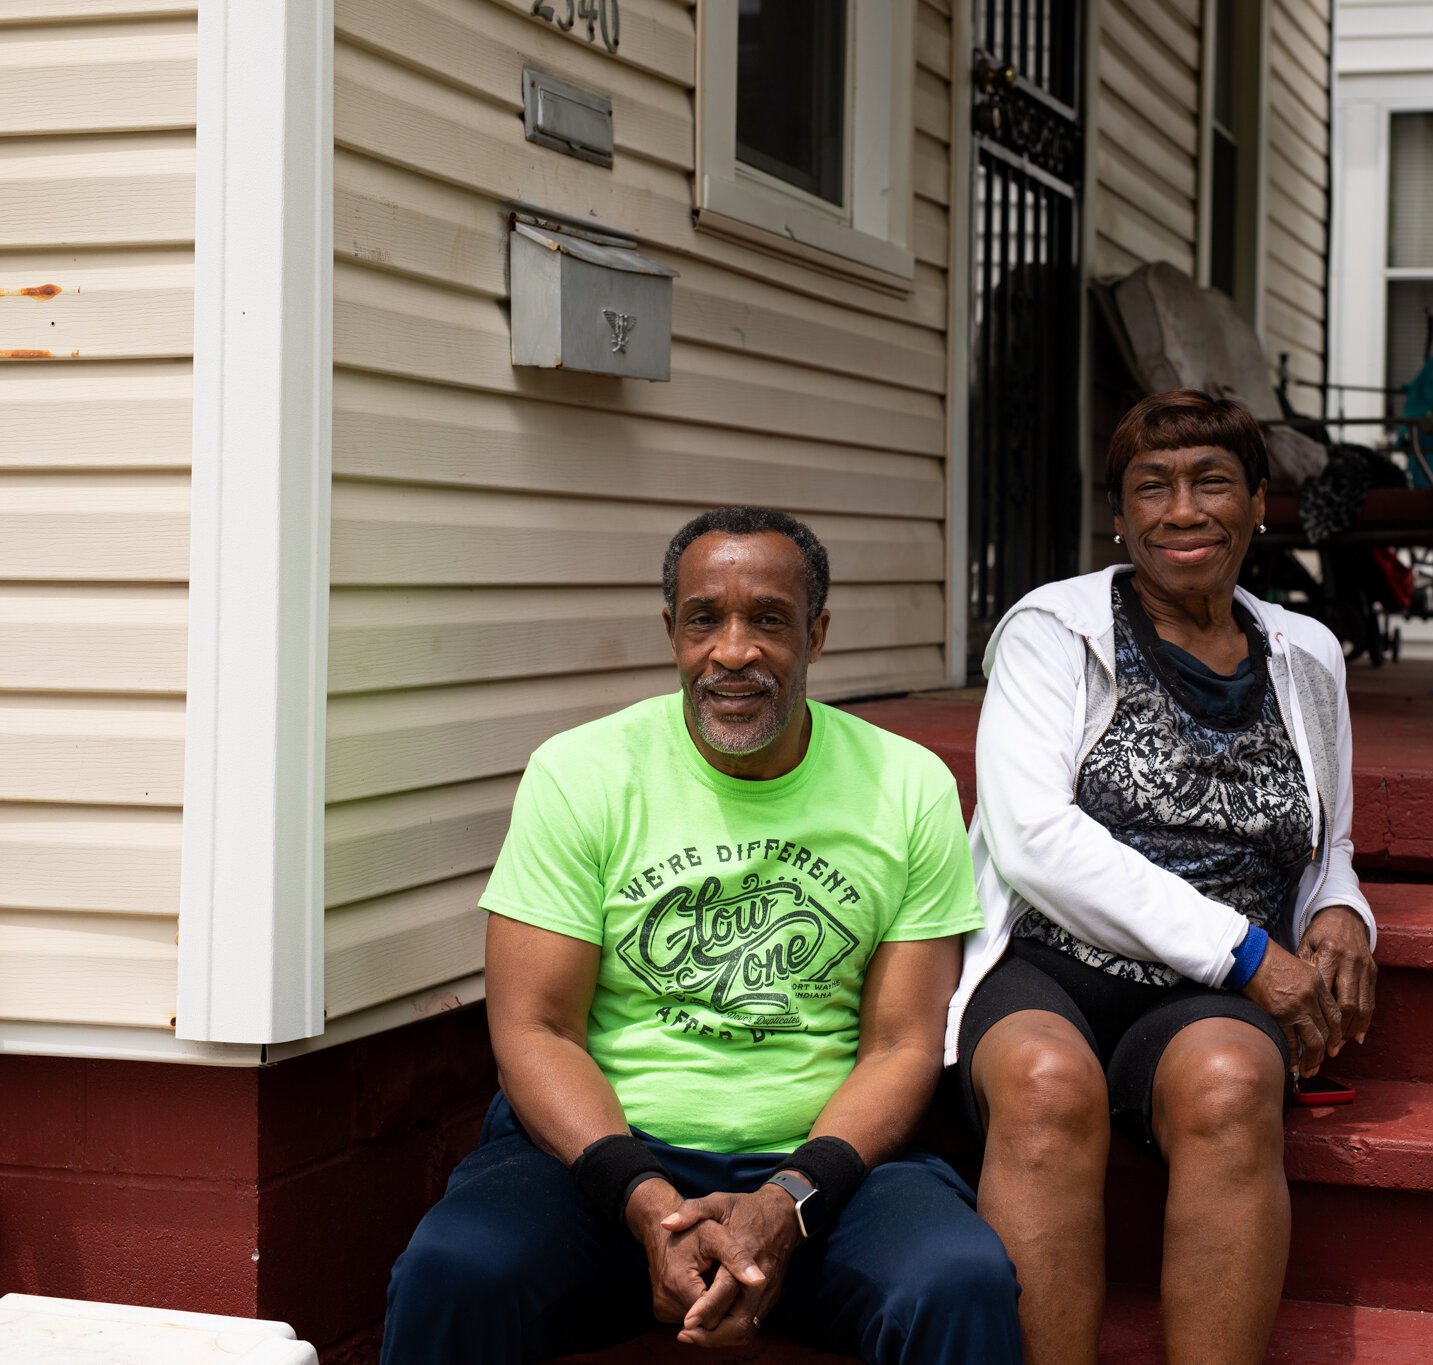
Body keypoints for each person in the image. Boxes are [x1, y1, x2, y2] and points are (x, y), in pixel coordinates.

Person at [382, 507, 1022, 1365]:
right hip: (600, 1161)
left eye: (768, 619)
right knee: (453, 1272)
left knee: (957, 1280)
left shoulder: (906, 785)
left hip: (827, 1171)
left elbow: (902, 1044)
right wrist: (640, 1197)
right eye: (703, 619)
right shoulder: (582, 772)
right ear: (671, 631)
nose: (733, 651)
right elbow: (536, 1030)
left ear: (817, 633)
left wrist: (790, 1198)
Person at [949, 390, 1380, 1364]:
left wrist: (1344, 917)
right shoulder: (1050, 629)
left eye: (1211, 481)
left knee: (1231, 1085)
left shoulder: (1304, 654)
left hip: (1206, 999)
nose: (1181, 510)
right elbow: (1030, 839)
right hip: (1051, 965)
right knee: (1043, 1083)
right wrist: (1247, 954)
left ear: (1258, 503)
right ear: (1117, 515)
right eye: (1152, 487)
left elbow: (1325, 846)